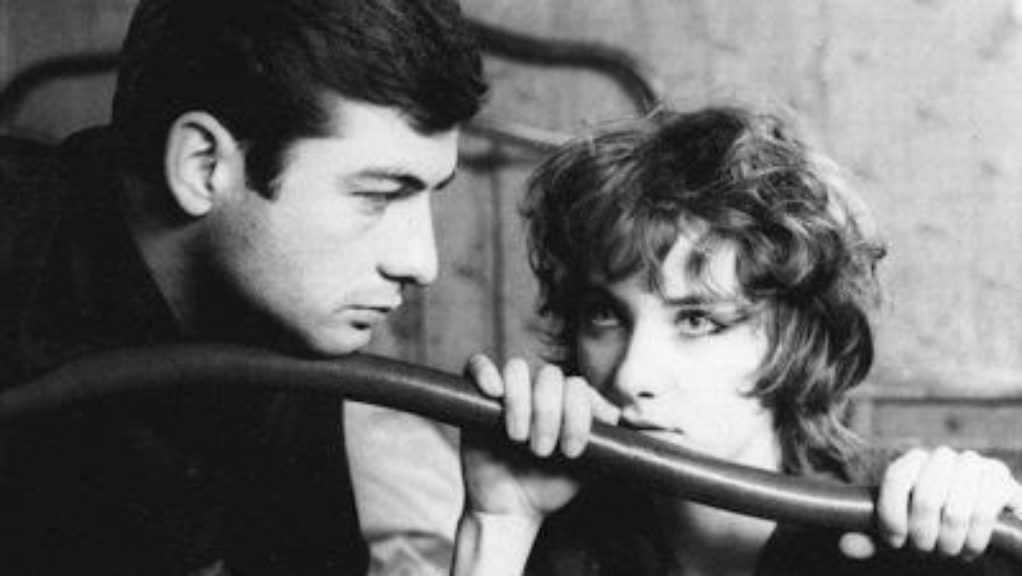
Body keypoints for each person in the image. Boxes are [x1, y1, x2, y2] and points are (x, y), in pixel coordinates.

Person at [0, 0, 486, 573]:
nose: (422, 263)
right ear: (203, 165)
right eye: (377, 195)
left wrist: (499, 523)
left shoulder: (280, 316)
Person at [452, 106, 1022, 576]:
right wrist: (498, 526)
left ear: (794, 339)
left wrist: (999, 525)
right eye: (604, 314)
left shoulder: (902, 519)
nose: (630, 376)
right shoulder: (561, 527)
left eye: (697, 320)